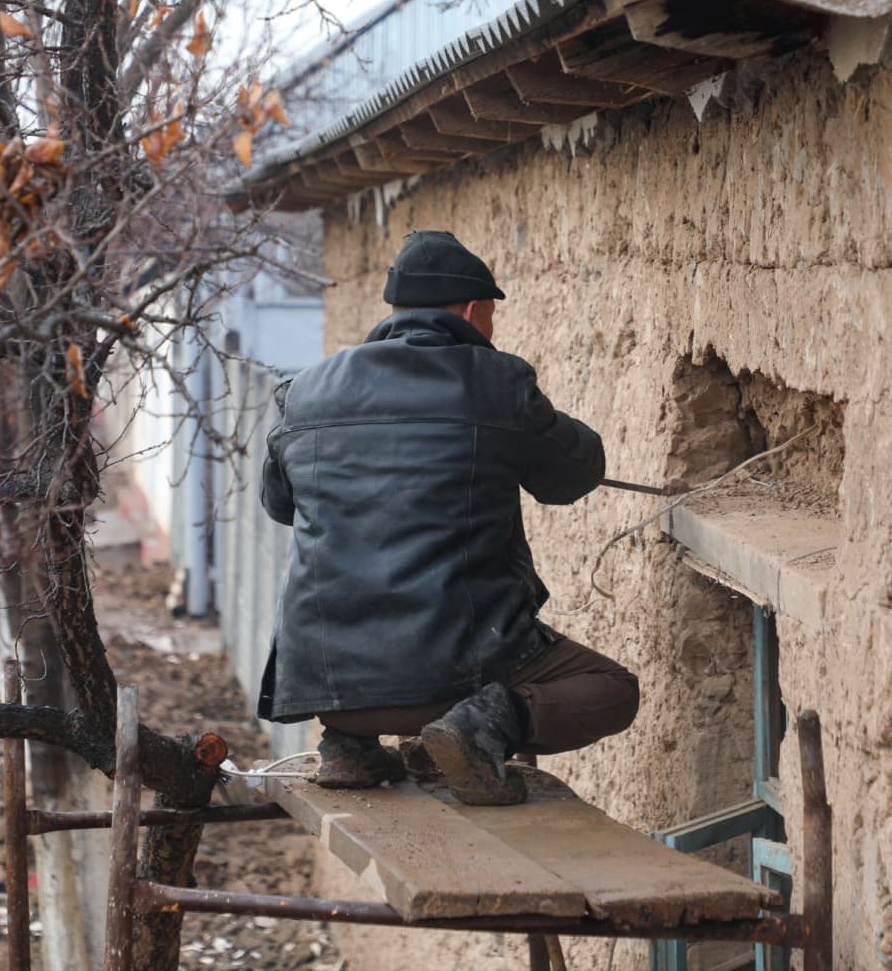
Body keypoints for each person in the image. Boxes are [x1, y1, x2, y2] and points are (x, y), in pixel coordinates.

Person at [257, 229, 640, 805]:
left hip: (327, 684)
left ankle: (349, 748)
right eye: (489, 317)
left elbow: (280, 506)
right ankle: (479, 726)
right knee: (612, 689)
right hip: (451, 679)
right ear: (473, 310)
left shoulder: (305, 392)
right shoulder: (496, 382)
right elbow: (572, 476)